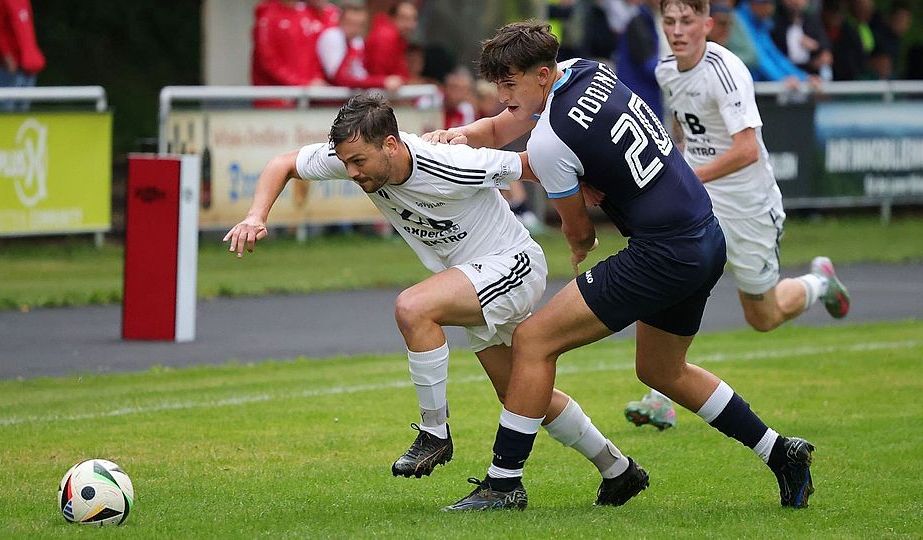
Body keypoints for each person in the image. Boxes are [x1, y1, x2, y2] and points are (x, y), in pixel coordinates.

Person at [424, 19, 815, 511]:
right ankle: (782, 453)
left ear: (542, 75)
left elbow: (579, 229)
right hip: (704, 235)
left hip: (664, 251)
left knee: (533, 340)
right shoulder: (588, 71)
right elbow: (512, 125)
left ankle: (503, 483)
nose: (503, 95)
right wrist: (466, 135)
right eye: (498, 84)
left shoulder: (549, 140)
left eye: (510, 84)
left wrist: (574, 230)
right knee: (661, 369)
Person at [223, 94, 642, 504]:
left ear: (390, 144)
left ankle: (435, 434)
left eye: (358, 162)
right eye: (346, 162)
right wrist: (256, 215)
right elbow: (283, 164)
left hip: (512, 265)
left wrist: (589, 186)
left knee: (413, 307)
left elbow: (530, 164)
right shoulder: (356, 154)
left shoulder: (449, 163)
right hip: (473, 278)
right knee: (521, 392)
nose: (350, 173)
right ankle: (617, 470)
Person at [626, 0, 853, 431]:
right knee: (670, 277)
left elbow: (747, 149)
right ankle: (660, 396)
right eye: (669, 21)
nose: (677, 30)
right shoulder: (665, 70)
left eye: (687, 21)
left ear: (707, 25)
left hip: (749, 204)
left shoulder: (725, 71)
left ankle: (819, 281)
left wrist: (691, 178)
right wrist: (676, 169)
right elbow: (681, 130)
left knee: (761, 317)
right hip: (700, 202)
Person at [316, 4, 404, 91]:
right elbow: (339, 79)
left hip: (342, 98)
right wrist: (381, 82)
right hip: (321, 98)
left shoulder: (357, 41)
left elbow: (360, 76)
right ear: (340, 21)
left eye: (359, 25)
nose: (354, 29)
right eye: (350, 23)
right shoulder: (332, 36)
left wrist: (383, 81)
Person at [0, 0, 46, 112]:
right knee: (3, 121)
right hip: (4, 69)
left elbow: (26, 31)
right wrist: (6, 56)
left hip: (27, 68)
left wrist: (32, 58)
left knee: (21, 121)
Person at [365, 0, 418, 80]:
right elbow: (378, 75)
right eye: (404, 18)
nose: (409, 25)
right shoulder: (385, 38)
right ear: (392, 18)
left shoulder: (398, 40)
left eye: (412, 19)